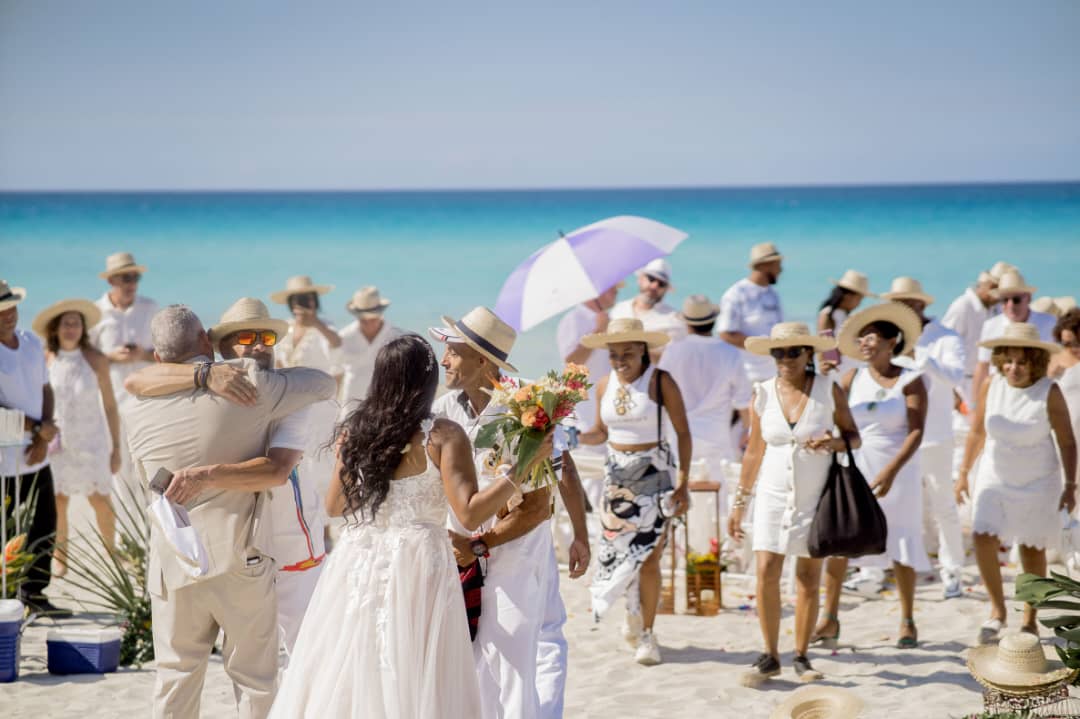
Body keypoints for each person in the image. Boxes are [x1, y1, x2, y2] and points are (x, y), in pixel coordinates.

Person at [271, 334, 554, 718]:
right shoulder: (442, 434)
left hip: (359, 554)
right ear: (427, 380)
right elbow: (469, 514)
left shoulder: (356, 431)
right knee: (414, 665)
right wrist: (520, 469)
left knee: (355, 658)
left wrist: (346, 459)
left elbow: (335, 507)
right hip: (417, 559)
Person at [123, 305, 336, 719]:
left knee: (175, 677)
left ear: (159, 357)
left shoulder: (136, 406)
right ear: (208, 341)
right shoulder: (251, 384)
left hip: (172, 561)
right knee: (255, 681)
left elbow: (138, 391)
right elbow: (323, 383)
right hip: (239, 558)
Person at [430, 306, 590, 719]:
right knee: (480, 654)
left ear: (484, 362)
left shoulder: (530, 405)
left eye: (454, 351)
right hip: (463, 551)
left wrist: (580, 534)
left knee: (524, 649)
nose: (444, 360)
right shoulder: (445, 409)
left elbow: (561, 472)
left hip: (518, 548)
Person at [727, 322, 861, 686]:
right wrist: (739, 504)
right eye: (778, 352)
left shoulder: (828, 389)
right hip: (771, 495)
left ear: (808, 354)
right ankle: (770, 655)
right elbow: (753, 451)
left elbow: (854, 437)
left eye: (793, 352)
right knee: (766, 570)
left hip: (814, 494)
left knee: (807, 576)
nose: (785, 359)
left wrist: (833, 443)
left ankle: (801, 655)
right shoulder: (763, 392)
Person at [813, 302, 930, 650]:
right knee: (841, 537)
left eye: (872, 337)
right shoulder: (852, 378)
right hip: (857, 463)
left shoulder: (910, 380)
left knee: (901, 540)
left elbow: (916, 431)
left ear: (892, 342)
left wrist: (892, 470)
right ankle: (829, 617)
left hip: (898, 468)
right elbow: (835, 418)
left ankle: (907, 620)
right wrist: (825, 377)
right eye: (861, 337)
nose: (864, 343)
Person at [579, 317, 692, 666]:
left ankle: (647, 634)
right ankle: (633, 613)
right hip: (616, 479)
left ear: (643, 350)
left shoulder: (660, 381)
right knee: (622, 554)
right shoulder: (603, 384)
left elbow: (683, 433)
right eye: (614, 354)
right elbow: (600, 432)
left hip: (655, 475)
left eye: (627, 353)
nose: (620, 361)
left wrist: (683, 482)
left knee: (649, 557)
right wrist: (572, 434)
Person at [954, 323, 1077, 644]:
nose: (1013, 368)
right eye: (1008, 360)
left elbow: (1067, 441)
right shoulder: (991, 384)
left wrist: (1070, 486)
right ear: (999, 361)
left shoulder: (1049, 391)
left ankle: (1029, 620)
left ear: (1035, 362)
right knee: (982, 537)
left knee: (1031, 548)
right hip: (995, 474)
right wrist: (963, 472)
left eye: (1022, 362)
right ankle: (997, 611)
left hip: (1039, 479)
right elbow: (977, 432)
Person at [880, 277, 967, 599]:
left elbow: (955, 377)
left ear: (920, 304)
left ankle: (952, 571)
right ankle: (884, 568)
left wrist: (921, 356)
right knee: (895, 503)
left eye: (906, 303)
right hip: (898, 438)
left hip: (935, 437)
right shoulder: (890, 340)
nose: (901, 310)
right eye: (896, 304)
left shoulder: (946, 337)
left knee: (943, 506)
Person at [32, 299, 121, 577]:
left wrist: (116, 449)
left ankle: (111, 553)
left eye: (76, 323)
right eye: (66, 323)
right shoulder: (46, 358)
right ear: (55, 329)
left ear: (83, 329)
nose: (71, 328)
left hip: (92, 442)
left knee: (100, 499)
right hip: (58, 444)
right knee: (59, 501)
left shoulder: (96, 359)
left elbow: (110, 405)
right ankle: (61, 557)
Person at [0, 280, 68, 617]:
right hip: (3, 460)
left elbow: (45, 388)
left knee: (44, 524)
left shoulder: (30, 342)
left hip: (35, 454)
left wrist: (44, 432)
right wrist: (39, 429)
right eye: (2, 310)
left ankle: (34, 595)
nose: (9, 314)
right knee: (6, 529)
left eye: (11, 306)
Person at [88, 251, 159, 512]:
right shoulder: (96, 312)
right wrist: (110, 357)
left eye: (135, 277)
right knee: (118, 465)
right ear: (111, 281)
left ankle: (154, 523)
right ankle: (127, 530)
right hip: (111, 403)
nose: (131, 283)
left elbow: (165, 353)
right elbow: (85, 356)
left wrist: (142, 354)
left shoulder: (150, 308)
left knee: (151, 463)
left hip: (147, 400)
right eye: (125, 278)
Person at [659, 294, 750, 486]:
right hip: (716, 436)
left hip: (678, 435)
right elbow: (743, 400)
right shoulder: (730, 353)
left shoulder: (673, 350)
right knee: (718, 495)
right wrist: (748, 431)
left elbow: (660, 392)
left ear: (687, 323)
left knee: (679, 491)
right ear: (713, 321)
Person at [271, 275, 343, 516]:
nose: (300, 305)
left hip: (320, 407)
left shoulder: (324, 327)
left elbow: (338, 346)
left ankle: (323, 525)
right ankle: (303, 517)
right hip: (290, 406)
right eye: (295, 300)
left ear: (314, 302)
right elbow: (277, 364)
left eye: (306, 300)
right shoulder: (286, 328)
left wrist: (316, 323)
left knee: (320, 462)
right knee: (296, 460)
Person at [557, 282, 621, 514]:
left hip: (609, 409)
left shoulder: (610, 319)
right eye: (612, 288)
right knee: (591, 481)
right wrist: (598, 331)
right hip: (585, 413)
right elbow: (571, 361)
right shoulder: (574, 319)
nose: (617, 292)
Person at [971, 270, 1057, 410]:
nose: (1010, 305)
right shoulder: (991, 325)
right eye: (1005, 300)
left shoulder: (1049, 322)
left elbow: (1058, 360)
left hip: (1038, 395)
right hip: (999, 396)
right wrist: (975, 405)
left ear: (1028, 298)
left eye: (1016, 299)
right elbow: (983, 366)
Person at [719, 241, 785, 383]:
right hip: (747, 375)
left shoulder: (773, 294)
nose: (780, 270)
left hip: (774, 374)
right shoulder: (737, 293)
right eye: (777, 265)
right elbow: (726, 334)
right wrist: (763, 347)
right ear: (764, 265)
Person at [337, 285, 403, 418]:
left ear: (380, 314)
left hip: (386, 402)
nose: (368, 324)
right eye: (363, 320)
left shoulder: (397, 336)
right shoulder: (344, 337)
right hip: (352, 404)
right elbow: (336, 373)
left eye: (372, 319)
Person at [941, 268, 1000, 400]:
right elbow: (944, 343)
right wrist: (951, 387)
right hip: (961, 383)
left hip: (986, 380)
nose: (998, 296)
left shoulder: (997, 308)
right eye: (994, 288)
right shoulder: (963, 306)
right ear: (983, 285)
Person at [609, 258, 686, 349]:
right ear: (640, 279)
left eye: (661, 284)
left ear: (665, 289)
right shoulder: (618, 309)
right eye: (651, 279)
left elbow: (672, 354)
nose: (654, 286)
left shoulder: (673, 320)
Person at [817, 270, 872, 335]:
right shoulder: (827, 314)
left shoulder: (847, 317)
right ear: (848, 296)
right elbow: (823, 339)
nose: (859, 303)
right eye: (859, 299)